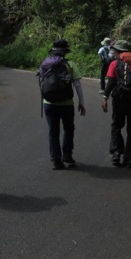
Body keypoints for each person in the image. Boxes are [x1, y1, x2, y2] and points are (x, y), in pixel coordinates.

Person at [100, 40, 131, 168]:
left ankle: (116, 153)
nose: (114, 52)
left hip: (120, 101)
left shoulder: (115, 64)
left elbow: (110, 82)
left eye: (115, 50)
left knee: (116, 126)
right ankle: (129, 159)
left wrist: (105, 97)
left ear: (118, 51)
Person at [38, 39, 86, 170]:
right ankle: (67, 155)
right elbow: (77, 84)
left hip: (49, 103)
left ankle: (56, 160)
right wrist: (81, 103)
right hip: (66, 103)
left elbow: (41, 81)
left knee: (53, 132)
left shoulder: (45, 63)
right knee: (68, 129)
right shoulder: (70, 64)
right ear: (65, 52)